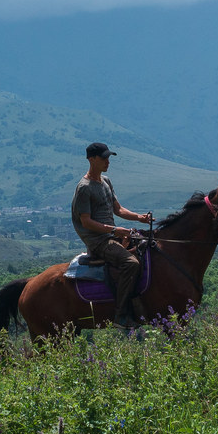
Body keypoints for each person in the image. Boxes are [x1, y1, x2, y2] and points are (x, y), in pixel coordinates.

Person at [71, 141, 154, 328]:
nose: (108, 161)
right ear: (92, 159)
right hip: (98, 241)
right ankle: (121, 314)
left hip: (109, 234)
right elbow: (86, 222)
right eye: (104, 158)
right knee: (130, 263)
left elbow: (118, 209)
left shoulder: (106, 181)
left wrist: (139, 218)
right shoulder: (84, 187)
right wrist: (115, 230)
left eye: (109, 157)